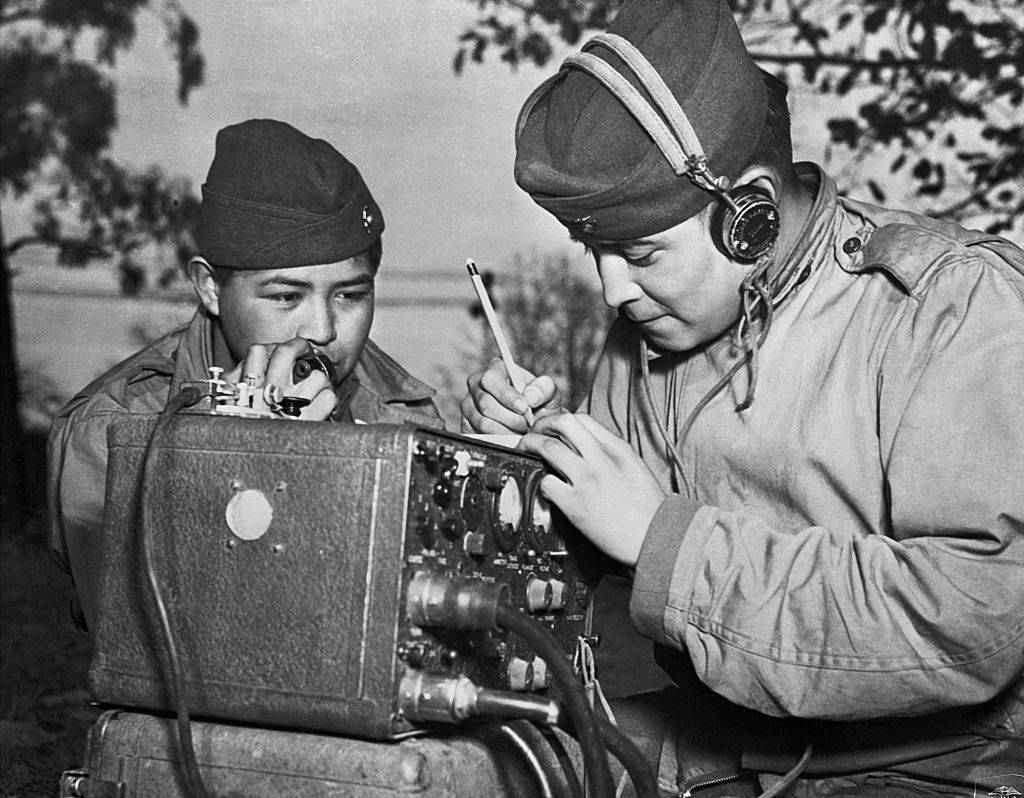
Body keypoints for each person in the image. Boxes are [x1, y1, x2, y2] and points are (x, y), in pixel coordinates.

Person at [462, 0, 1024, 794]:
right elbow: (586, 569)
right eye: (594, 251)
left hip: (939, 769)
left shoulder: (948, 308)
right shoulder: (650, 335)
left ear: (748, 217)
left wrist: (667, 542)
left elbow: (973, 621)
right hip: (718, 751)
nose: (612, 289)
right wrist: (522, 470)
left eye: (641, 252)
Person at [49, 119, 443, 635]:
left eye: (350, 295)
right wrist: (217, 466)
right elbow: (136, 645)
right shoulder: (113, 432)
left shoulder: (404, 414)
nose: (322, 330)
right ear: (210, 289)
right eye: (285, 297)